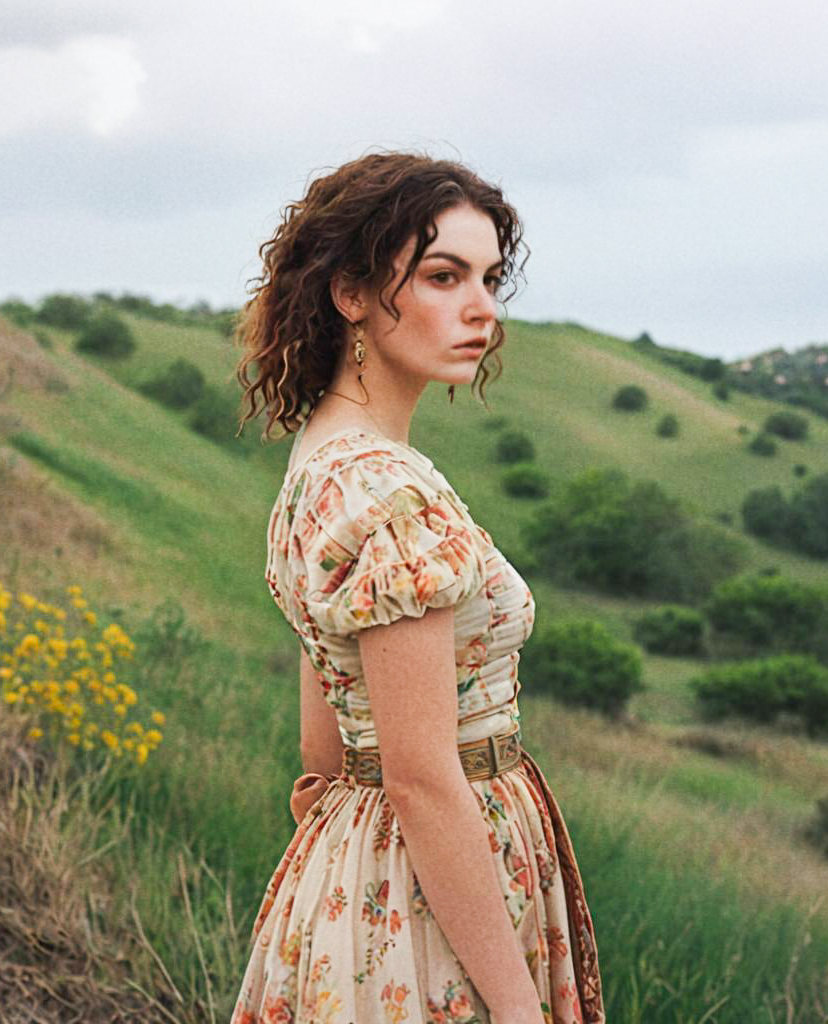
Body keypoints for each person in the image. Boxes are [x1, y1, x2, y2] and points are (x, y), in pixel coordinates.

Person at [231, 151, 605, 1024]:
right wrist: (518, 1007)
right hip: (430, 876)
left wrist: (346, 867)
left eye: (489, 278)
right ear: (351, 293)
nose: (481, 309)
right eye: (444, 276)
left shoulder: (322, 465)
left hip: (361, 864)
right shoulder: (386, 492)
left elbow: (325, 756)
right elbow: (424, 778)